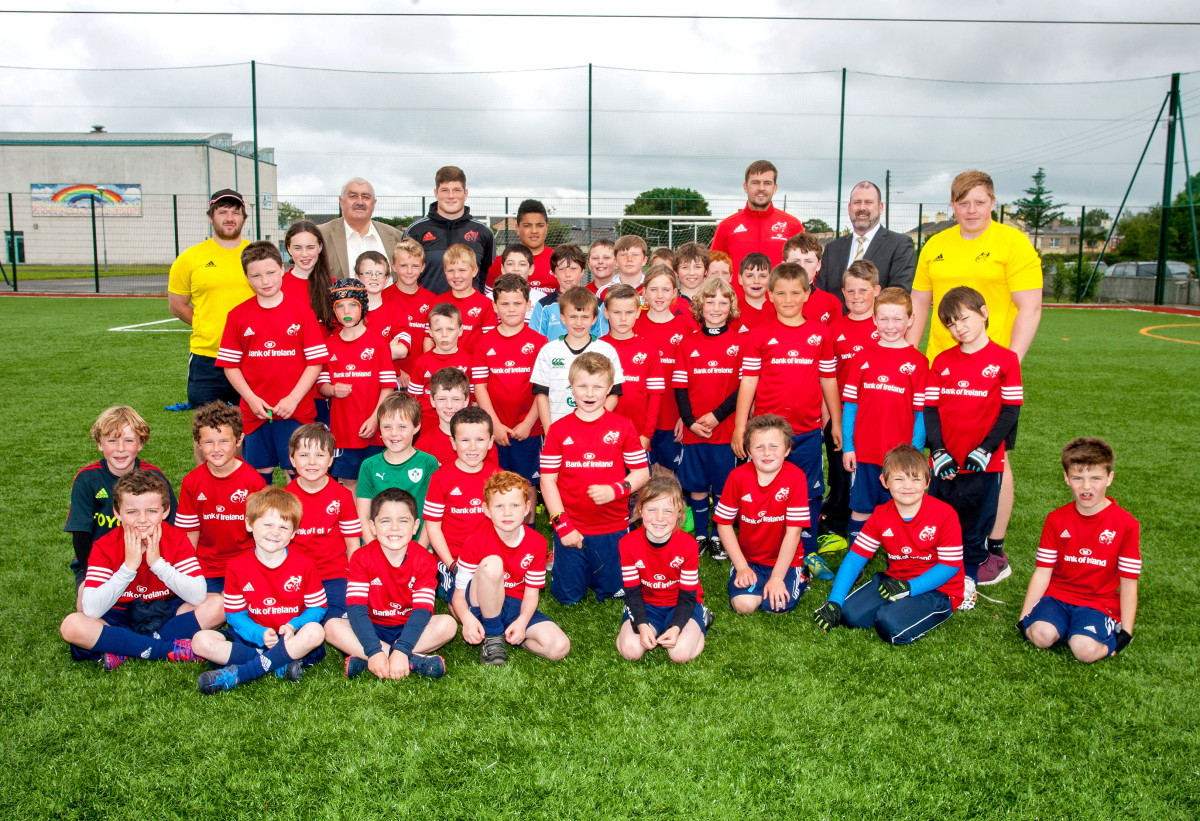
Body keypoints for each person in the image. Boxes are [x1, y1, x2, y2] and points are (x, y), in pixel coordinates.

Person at [907, 169, 1043, 572]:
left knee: (995, 457)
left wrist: (1007, 364)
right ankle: (941, 540)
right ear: (952, 204)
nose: (971, 209)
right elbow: (919, 303)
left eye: (979, 202)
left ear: (993, 203)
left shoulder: (1012, 242)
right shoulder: (936, 244)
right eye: (963, 202)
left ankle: (993, 547)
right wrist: (910, 358)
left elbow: (1030, 307)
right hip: (941, 370)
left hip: (989, 375)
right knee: (940, 451)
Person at [732, 262, 842, 579]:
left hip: (806, 431)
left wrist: (835, 422)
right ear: (770, 296)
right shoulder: (760, 335)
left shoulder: (820, 334)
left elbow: (829, 380)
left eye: (796, 292)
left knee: (808, 492)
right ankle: (762, 547)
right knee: (764, 488)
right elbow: (749, 383)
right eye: (781, 293)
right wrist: (741, 427)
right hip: (766, 433)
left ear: (807, 294)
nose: (789, 299)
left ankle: (808, 552)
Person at [60, 470, 220, 669]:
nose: (142, 519)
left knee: (219, 604)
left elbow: (197, 596)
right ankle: (164, 649)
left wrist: (158, 564)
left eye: (151, 511)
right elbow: (92, 610)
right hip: (118, 613)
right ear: (117, 512)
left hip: (165, 610)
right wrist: (128, 567)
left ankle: (122, 647)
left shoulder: (176, 539)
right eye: (132, 512)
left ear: (165, 511)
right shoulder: (105, 546)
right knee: (72, 625)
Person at [925, 286, 1023, 604]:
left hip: (984, 462)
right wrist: (937, 450)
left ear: (984, 313)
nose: (959, 328)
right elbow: (931, 410)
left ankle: (966, 580)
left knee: (974, 526)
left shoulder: (1006, 360)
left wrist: (986, 449)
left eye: (964, 319)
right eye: (951, 324)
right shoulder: (941, 361)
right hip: (946, 462)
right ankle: (936, 575)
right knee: (941, 520)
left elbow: (1010, 412)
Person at [812, 445, 965, 644]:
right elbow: (854, 560)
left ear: (927, 482)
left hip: (939, 589)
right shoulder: (881, 514)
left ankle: (934, 610)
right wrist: (834, 601)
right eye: (899, 479)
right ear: (885, 481)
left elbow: (950, 566)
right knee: (849, 615)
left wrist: (911, 587)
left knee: (889, 625)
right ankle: (896, 602)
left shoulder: (944, 515)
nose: (907, 486)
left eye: (915, 479)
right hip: (895, 579)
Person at [540, 353, 651, 605]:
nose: (589, 393)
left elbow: (642, 472)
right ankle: (561, 554)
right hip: (572, 528)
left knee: (614, 591)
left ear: (610, 388)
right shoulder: (558, 430)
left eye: (598, 386)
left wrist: (617, 489)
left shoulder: (623, 426)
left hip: (612, 527)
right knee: (568, 597)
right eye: (582, 386)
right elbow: (547, 481)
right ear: (571, 386)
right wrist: (562, 525)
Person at [192, 487, 327, 693]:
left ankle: (241, 674)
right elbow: (235, 614)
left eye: (283, 527)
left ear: (294, 533)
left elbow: (317, 607)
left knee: (315, 632)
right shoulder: (236, 566)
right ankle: (279, 664)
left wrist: (293, 625)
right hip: (252, 637)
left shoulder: (305, 564)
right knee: (201, 641)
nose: (275, 532)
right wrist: (258, 633)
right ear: (249, 524)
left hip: (291, 639)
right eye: (267, 524)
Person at [215, 241, 329, 483]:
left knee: (297, 473)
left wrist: (293, 398)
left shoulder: (301, 312)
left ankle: (299, 522)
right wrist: (251, 398)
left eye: (270, 273)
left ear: (281, 270)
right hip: (256, 412)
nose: (265, 281)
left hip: (296, 410)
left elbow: (315, 363)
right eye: (256, 275)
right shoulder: (238, 315)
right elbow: (230, 365)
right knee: (258, 474)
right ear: (247, 277)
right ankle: (261, 521)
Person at [1018, 438, 1140, 662]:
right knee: (1040, 635)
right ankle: (1063, 626)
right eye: (1077, 478)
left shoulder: (1126, 524)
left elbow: (1128, 580)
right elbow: (1043, 571)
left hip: (1099, 603)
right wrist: (1024, 616)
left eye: (1096, 478)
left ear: (1109, 478)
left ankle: (1085, 631)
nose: (1086, 487)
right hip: (1057, 597)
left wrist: (1127, 633)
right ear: (1066, 478)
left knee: (1084, 650)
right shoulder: (1056, 519)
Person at [328, 488, 456, 679]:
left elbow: (422, 611)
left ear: (415, 526)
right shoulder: (361, 558)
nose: (394, 528)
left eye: (403, 521)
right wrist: (374, 650)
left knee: (448, 625)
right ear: (372, 527)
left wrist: (402, 649)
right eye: (385, 521)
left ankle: (379, 659)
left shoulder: (425, 560)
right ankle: (412, 662)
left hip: (410, 629)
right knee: (331, 627)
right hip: (372, 627)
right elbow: (356, 610)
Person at [841, 287, 929, 551]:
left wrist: (913, 453)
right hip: (865, 453)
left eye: (898, 319)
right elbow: (850, 407)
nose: (891, 326)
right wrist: (848, 446)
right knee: (861, 507)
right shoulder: (862, 358)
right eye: (885, 319)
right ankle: (857, 558)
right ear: (874, 320)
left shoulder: (919, 363)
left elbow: (920, 414)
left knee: (902, 506)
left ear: (910, 320)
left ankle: (902, 555)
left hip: (900, 456)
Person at [452, 471, 571, 665]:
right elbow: (458, 594)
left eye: (514, 505)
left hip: (514, 605)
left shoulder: (537, 543)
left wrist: (522, 622)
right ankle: (492, 635)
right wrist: (466, 619)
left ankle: (512, 636)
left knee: (559, 647)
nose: (507, 513)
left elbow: (532, 594)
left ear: (527, 508)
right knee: (493, 564)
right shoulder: (476, 539)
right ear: (486, 510)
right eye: (499, 506)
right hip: (479, 602)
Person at [65, 406, 176, 591]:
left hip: (148, 561)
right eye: (112, 441)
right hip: (99, 562)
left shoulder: (155, 477)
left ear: (140, 443)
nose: (121, 448)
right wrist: (90, 572)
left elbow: (172, 526)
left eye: (129, 440)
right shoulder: (86, 479)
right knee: (86, 605)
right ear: (99, 443)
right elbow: (80, 534)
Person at [673, 277, 743, 561]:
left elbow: (743, 388)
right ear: (700, 305)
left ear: (731, 307)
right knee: (698, 485)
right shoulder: (687, 343)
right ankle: (701, 533)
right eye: (710, 301)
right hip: (694, 431)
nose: (716, 307)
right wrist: (689, 422)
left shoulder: (741, 342)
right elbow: (679, 387)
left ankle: (719, 535)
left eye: (722, 302)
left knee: (724, 486)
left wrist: (716, 416)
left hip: (725, 429)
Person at [713, 415, 811, 614]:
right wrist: (741, 566)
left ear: (787, 449)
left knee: (775, 607)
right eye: (759, 447)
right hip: (750, 559)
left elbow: (793, 533)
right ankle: (753, 575)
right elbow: (723, 524)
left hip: (786, 559)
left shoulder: (796, 478)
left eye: (774, 446)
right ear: (748, 451)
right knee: (744, 606)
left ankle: (801, 575)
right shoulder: (737, 477)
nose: (767, 453)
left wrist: (776, 578)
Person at [167, 189, 252, 410]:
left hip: (252, 356)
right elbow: (177, 305)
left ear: (244, 217)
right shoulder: (190, 258)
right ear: (210, 216)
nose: (230, 218)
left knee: (251, 425)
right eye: (223, 212)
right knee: (205, 427)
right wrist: (209, 326)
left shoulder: (257, 254)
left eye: (235, 212)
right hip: (207, 358)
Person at [175, 401, 266, 599]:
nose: (216, 449)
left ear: (239, 439)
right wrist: (187, 573)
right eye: (208, 442)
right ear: (198, 443)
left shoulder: (253, 481)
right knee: (200, 605)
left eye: (224, 441)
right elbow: (190, 533)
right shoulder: (192, 482)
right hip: (207, 567)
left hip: (246, 564)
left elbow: (262, 532)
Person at [617, 476, 710, 663]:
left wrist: (676, 627)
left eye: (668, 511)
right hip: (646, 604)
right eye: (652, 509)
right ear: (640, 510)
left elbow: (688, 595)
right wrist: (642, 625)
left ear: (679, 514)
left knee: (679, 654)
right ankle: (650, 626)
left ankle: (702, 619)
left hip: (680, 603)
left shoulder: (688, 545)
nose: (660, 518)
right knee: (631, 651)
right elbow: (632, 593)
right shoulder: (627, 543)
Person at [317, 278, 395, 494]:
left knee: (376, 483)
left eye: (352, 304)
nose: (346, 311)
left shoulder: (378, 343)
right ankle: (353, 527)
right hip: (343, 431)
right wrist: (333, 390)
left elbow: (388, 387)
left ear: (363, 306)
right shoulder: (328, 345)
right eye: (340, 306)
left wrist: (375, 419)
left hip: (373, 428)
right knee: (349, 482)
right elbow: (322, 384)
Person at [822, 261, 882, 538]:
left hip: (877, 413)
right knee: (840, 470)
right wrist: (828, 418)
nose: (857, 297)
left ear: (876, 291)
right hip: (843, 413)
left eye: (863, 290)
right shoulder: (834, 329)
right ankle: (838, 520)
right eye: (851, 291)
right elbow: (828, 377)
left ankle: (880, 521)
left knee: (876, 466)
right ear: (843, 293)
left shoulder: (886, 326)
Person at [473, 274, 547, 490]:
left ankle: (528, 525)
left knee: (528, 484)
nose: (511, 309)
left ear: (528, 304)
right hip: (495, 429)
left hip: (529, 430)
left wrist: (529, 423)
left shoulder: (539, 342)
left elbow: (543, 390)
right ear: (495, 306)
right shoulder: (483, 342)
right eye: (504, 304)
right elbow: (480, 386)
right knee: (494, 482)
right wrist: (493, 424)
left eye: (517, 303)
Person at [284, 424, 362, 628]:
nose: (312, 462)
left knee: (340, 618)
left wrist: (355, 581)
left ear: (330, 460)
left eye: (319, 455)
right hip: (295, 575)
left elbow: (353, 544)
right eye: (303, 455)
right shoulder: (283, 499)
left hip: (333, 574)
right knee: (285, 617)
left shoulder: (342, 496)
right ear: (292, 459)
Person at [423, 407, 501, 602]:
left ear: (491, 442)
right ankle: (445, 579)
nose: (472, 447)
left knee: (496, 599)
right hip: (454, 558)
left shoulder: (498, 478)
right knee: (464, 602)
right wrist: (451, 564)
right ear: (453, 443)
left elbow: (508, 523)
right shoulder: (440, 478)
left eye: (480, 440)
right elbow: (433, 526)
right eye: (465, 440)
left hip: (490, 557)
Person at [531, 287, 624, 429]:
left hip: (595, 431)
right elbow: (542, 395)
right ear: (562, 317)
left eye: (585, 317)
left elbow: (613, 395)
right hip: (558, 431)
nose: (579, 323)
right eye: (573, 317)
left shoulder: (607, 351)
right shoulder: (548, 351)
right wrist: (550, 431)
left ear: (594, 319)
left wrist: (595, 423)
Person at [635, 265, 696, 478]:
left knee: (668, 473)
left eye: (665, 289)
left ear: (674, 294)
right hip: (641, 418)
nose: (659, 295)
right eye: (653, 289)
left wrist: (685, 415)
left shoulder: (687, 327)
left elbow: (692, 376)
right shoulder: (633, 325)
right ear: (643, 292)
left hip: (673, 415)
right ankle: (641, 512)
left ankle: (673, 511)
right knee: (642, 473)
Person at [354, 392, 439, 543]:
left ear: (416, 427)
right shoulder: (369, 465)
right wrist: (375, 551)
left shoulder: (428, 463)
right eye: (387, 427)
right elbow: (363, 516)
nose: (394, 433)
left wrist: (419, 551)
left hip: (417, 545)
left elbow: (432, 515)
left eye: (402, 427)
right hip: (377, 545)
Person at [815, 181, 917, 306]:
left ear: (880, 207)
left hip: (876, 324)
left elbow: (898, 294)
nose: (862, 208)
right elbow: (820, 295)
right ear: (849, 207)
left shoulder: (900, 245)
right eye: (857, 202)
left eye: (868, 202)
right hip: (836, 324)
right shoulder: (832, 249)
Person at [405, 166, 496, 294]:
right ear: (436, 193)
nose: (451, 196)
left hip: (470, 312)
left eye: (456, 190)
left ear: (466, 193)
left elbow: (487, 278)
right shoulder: (416, 230)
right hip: (427, 312)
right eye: (445, 190)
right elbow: (405, 274)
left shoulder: (484, 233)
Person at [601, 284, 665, 452]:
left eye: (629, 312)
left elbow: (655, 396)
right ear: (606, 313)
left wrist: (646, 435)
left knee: (638, 479)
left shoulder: (649, 350)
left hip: (638, 436)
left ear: (638, 313)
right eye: (616, 312)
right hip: (601, 435)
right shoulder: (597, 348)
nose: (623, 318)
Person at [709, 160, 804, 272]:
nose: (761, 188)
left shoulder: (793, 225)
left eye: (767, 183)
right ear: (745, 186)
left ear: (775, 188)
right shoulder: (726, 226)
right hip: (735, 290)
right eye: (755, 183)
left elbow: (806, 267)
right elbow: (712, 269)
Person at [318, 177, 405, 281]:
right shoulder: (320, 235)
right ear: (341, 202)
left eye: (366, 197)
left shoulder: (396, 237)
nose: (360, 202)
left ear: (374, 203)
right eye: (353, 196)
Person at [406, 303, 472, 434]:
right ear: (430, 331)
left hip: (461, 429)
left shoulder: (470, 361)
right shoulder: (421, 362)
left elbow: (474, 401)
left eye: (450, 329)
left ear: (460, 330)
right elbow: (413, 402)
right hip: (426, 430)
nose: (444, 335)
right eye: (438, 330)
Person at [417, 367, 499, 469]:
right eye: (442, 399)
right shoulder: (423, 445)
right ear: (432, 400)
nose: (449, 405)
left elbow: (494, 482)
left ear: (466, 401)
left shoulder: (483, 442)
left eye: (456, 399)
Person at [430, 243, 497, 356]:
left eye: (462, 270)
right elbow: (429, 339)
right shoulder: (437, 302)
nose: (456, 275)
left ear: (474, 271)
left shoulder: (485, 304)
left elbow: (490, 343)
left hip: (472, 369)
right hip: (443, 370)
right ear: (444, 271)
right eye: (451, 271)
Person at [386, 238, 436, 387]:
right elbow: (376, 342)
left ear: (422, 267)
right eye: (403, 266)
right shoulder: (384, 297)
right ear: (393, 267)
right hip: (394, 376)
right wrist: (397, 371)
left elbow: (433, 340)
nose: (409, 271)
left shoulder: (432, 299)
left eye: (415, 266)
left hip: (424, 374)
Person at [530, 244, 609, 339]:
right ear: (554, 273)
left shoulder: (597, 305)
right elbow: (535, 341)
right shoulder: (543, 306)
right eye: (562, 269)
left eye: (573, 268)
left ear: (583, 270)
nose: (568, 274)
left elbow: (603, 341)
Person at [486, 199, 555, 292]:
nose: (534, 231)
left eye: (540, 225)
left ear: (546, 228)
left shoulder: (558, 260)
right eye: (527, 225)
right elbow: (490, 300)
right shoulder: (501, 262)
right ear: (517, 229)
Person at [281, 220, 338, 332]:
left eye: (310, 247)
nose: (304, 254)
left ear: (320, 247)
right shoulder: (277, 285)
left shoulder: (334, 286)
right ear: (289, 249)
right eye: (298, 248)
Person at [783, 234, 843, 326]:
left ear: (818, 265)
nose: (802, 267)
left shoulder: (831, 303)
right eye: (796, 262)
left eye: (808, 261)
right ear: (784, 265)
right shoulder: (773, 301)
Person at [736, 252, 775, 329]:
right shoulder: (733, 312)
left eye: (762, 276)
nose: (756, 281)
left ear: (770, 278)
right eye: (750, 276)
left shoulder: (778, 309)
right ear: (740, 279)